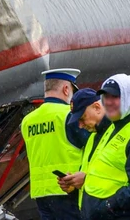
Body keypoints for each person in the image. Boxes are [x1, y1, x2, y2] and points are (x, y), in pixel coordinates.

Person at [58, 74, 130, 220]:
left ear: (129, 97)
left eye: (115, 97)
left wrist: (107, 206)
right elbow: (105, 178)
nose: (108, 102)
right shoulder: (112, 130)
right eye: (105, 98)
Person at [23, 69, 87, 220]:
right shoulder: (69, 115)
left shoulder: (28, 121)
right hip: (69, 190)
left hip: (42, 194)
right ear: (66, 89)